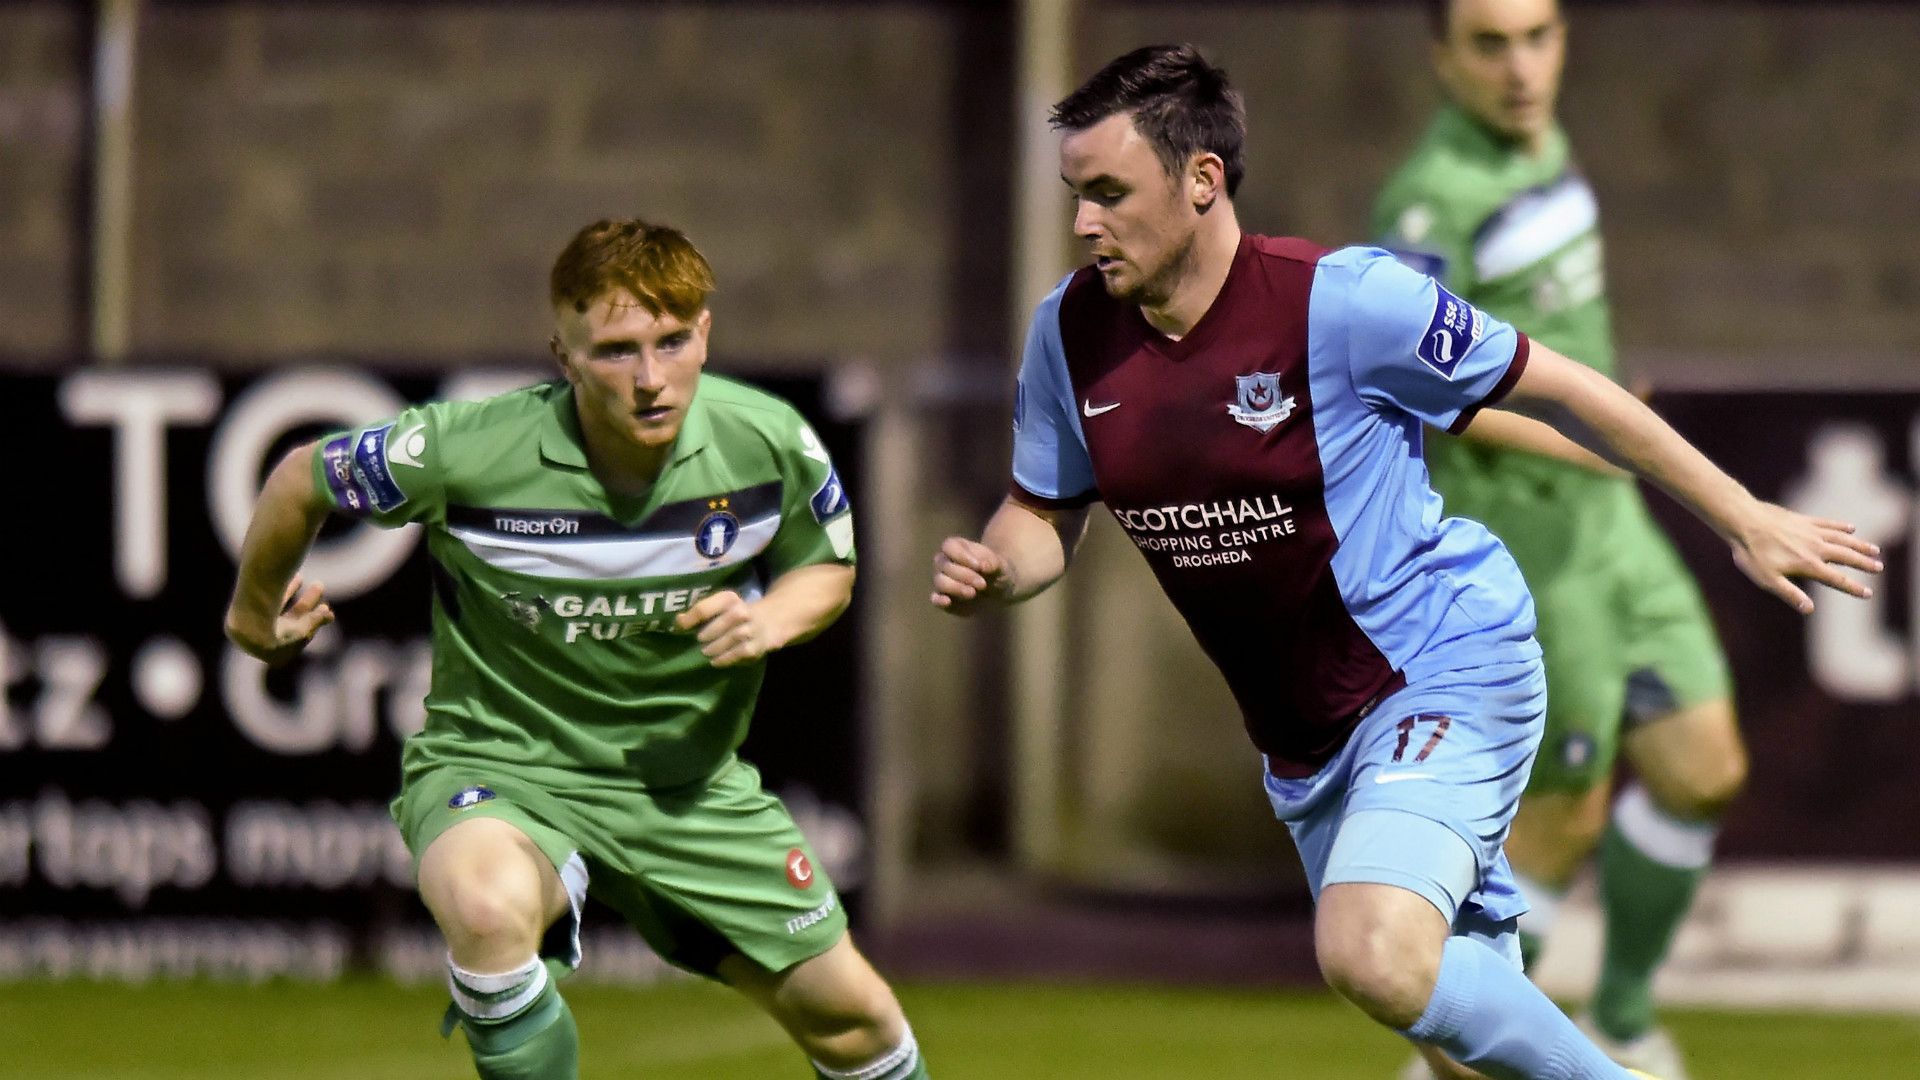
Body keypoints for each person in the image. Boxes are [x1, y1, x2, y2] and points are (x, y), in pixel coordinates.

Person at [929, 44, 1877, 1080]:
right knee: (1459, 1039)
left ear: (1202, 179)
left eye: (1109, 192)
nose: (1083, 224)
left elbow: (1562, 386)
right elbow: (1043, 512)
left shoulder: (1341, 303)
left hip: (1442, 664)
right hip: (1306, 747)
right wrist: (998, 568)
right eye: (1075, 195)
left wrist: (1739, 511)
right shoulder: (1068, 335)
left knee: (1368, 951)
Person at [226, 219, 929, 1080]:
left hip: (686, 790)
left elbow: (826, 569)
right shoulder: (472, 449)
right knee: (487, 913)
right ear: (560, 354)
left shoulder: (768, 441)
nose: (650, 379)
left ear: (705, 331)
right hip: (505, 767)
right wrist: (252, 617)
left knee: (857, 1025)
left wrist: (776, 615)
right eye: (616, 351)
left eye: (673, 341)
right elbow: (305, 474)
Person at [1372, 3, 1746, 1074]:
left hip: (1615, 531)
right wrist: (1576, 437)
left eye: (1537, 36)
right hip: (1527, 548)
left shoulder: (1548, 150)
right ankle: (1450, 1050)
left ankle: (1623, 1013)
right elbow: (1411, 389)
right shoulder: (1429, 201)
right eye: (1489, 44)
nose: (1520, 67)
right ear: (1442, 58)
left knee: (1703, 766)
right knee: (1556, 828)